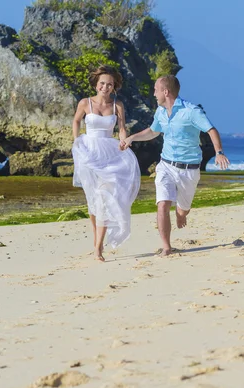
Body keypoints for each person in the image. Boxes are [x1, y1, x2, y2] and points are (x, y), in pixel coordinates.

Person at [121, 75, 230, 256]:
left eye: (156, 89)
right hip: (166, 165)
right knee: (162, 204)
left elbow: (211, 129)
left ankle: (181, 213)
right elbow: (153, 131)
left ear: (166, 91)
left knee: (182, 209)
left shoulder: (191, 111)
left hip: (189, 169)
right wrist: (132, 138)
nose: (154, 93)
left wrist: (219, 152)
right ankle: (166, 247)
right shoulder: (161, 112)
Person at [71, 65, 141, 261]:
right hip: (88, 153)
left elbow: (121, 128)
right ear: (96, 85)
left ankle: (99, 248)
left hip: (110, 154)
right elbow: (77, 121)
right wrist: (76, 140)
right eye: (102, 83)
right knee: (93, 200)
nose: (105, 87)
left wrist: (123, 140)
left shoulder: (117, 105)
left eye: (109, 84)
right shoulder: (85, 103)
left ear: (114, 87)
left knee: (103, 197)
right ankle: (96, 241)